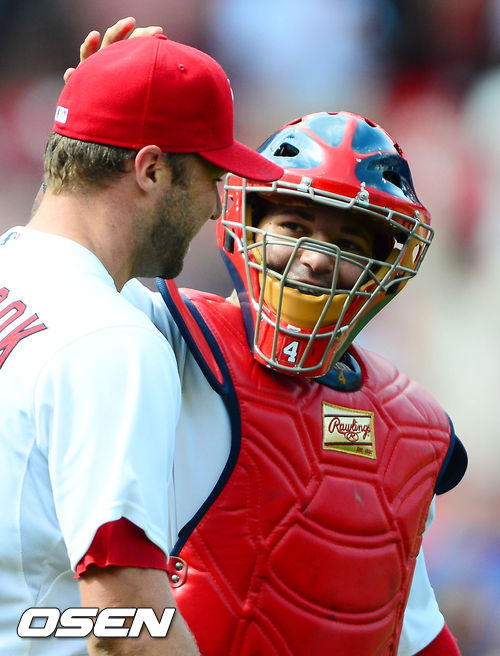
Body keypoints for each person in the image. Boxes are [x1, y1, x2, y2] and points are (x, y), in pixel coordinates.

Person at [53, 20, 465, 655]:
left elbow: (414, 630)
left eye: (348, 242)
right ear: (243, 219)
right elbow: (73, 250)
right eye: (295, 226)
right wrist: (100, 137)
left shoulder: (414, 430)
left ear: (386, 267)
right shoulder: (161, 334)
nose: (316, 258)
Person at [0, 29, 282, 656]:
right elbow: (122, 626)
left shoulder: (19, 268)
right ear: (151, 169)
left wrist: (96, 105)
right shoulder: (113, 341)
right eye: (210, 174)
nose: (216, 206)